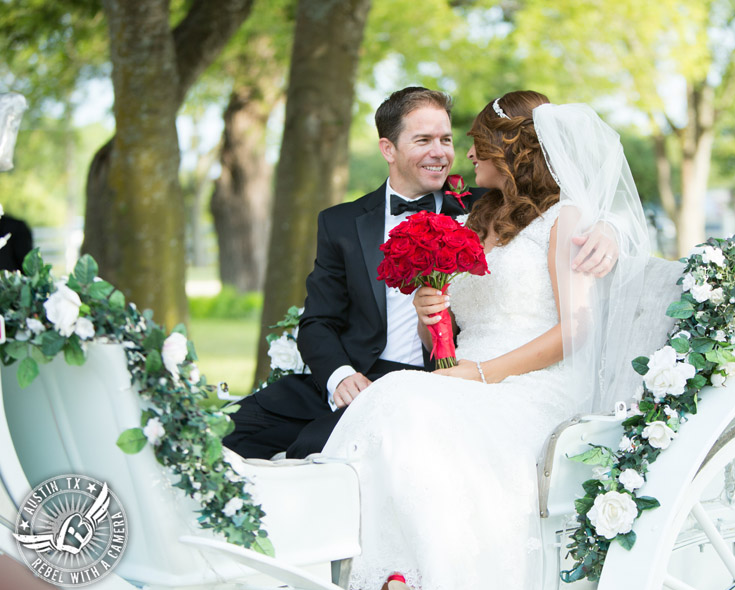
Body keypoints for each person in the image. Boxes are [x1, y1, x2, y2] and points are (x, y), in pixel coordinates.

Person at [320, 91, 650, 590]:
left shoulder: (565, 219)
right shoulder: (478, 217)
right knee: (392, 401)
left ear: (514, 151)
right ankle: (394, 574)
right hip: (466, 373)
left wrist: (480, 375)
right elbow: (459, 324)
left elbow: (575, 330)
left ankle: (422, 581)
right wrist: (430, 314)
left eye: (478, 144)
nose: (466, 156)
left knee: (404, 399)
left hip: (532, 382)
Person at [224, 87, 619, 461]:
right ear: (388, 149)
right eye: (424, 140)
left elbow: (565, 204)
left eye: (446, 139)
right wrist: (340, 376)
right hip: (358, 375)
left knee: (317, 448)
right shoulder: (341, 223)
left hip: (441, 380)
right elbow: (318, 321)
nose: (444, 153)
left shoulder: (488, 205)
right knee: (226, 432)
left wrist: (608, 229)